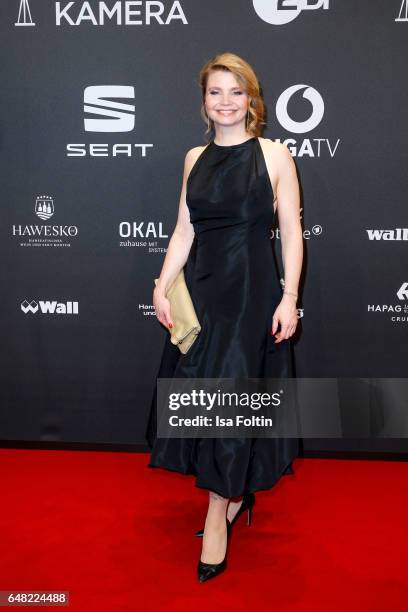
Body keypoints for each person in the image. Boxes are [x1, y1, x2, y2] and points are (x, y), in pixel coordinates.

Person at [145, 52, 303, 583]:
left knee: (233, 402)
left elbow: (293, 236)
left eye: (236, 91)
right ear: (205, 101)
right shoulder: (195, 158)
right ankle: (232, 494)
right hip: (206, 297)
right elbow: (184, 232)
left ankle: (219, 512)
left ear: (251, 98)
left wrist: (289, 298)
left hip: (253, 296)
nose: (227, 102)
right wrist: (162, 284)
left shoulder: (275, 155)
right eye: (217, 92)